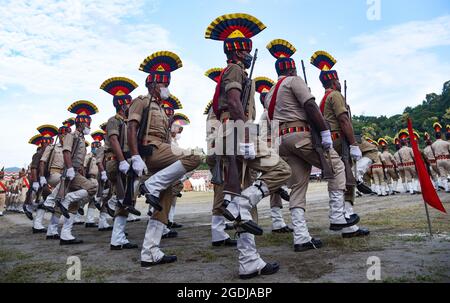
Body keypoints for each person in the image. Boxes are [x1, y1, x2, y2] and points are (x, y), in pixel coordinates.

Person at [205, 15, 293, 279]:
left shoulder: (238, 72)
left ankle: (249, 262)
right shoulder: (234, 69)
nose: (248, 52)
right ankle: (242, 204)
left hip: (233, 131)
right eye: (244, 47)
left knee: (242, 203)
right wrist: (244, 137)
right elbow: (233, 104)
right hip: (236, 131)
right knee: (281, 170)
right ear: (235, 50)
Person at [127, 51, 201, 266]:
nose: (167, 86)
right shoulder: (141, 101)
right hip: (151, 150)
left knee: (164, 203)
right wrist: (134, 156)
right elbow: (131, 128)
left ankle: (149, 252)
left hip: (162, 150)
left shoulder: (161, 108)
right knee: (194, 157)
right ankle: (151, 184)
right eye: (164, 83)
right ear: (154, 84)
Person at [100, 76, 140, 250]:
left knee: (127, 199)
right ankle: (117, 237)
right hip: (116, 162)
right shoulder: (113, 121)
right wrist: (123, 161)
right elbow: (114, 141)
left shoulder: (125, 122)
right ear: (123, 105)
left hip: (124, 162)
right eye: (128, 105)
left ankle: (118, 238)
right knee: (124, 199)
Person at [56, 100, 99, 245]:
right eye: (88, 124)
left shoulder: (80, 138)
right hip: (70, 172)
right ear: (81, 123)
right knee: (92, 188)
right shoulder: (72, 135)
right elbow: (66, 152)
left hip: (75, 171)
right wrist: (69, 169)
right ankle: (67, 199)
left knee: (74, 206)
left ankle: (66, 234)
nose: (89, 127)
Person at [255, 76, 292, 234]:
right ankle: (277, 220)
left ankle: (278, 222)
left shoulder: (266, 114)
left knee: (274, 188)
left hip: (269, 149)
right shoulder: (268, 114)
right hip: (270, 149)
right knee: (277, 180)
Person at [39, 125, 70, 240]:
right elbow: (42, 162)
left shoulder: (69, 148)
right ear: (60, 135)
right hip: (53, 174)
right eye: (63, 135)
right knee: (65, 184)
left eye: (67, 135)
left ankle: (52, 231)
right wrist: (42, 177)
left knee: (60, 203)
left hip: (63, 175)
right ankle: (49, 201)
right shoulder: (52, 147)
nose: (65, 137)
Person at [397, 130, 419, 195]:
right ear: (406, 142)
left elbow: (400, 159)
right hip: (411, 164)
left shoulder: (399, 151)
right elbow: (414, 157)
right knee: (416, 177)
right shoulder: (410, 149)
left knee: (408, 178)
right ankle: (415, 188)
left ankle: (411, 191)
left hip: (404, 165)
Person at [431, 122, 450, 193]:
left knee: (443, 175)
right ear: (441, 135)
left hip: (438, 161)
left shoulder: (433, 145)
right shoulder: (446, 143)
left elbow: (433, 153)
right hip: (447, 159)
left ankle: (447, 189)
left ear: (435, 136)